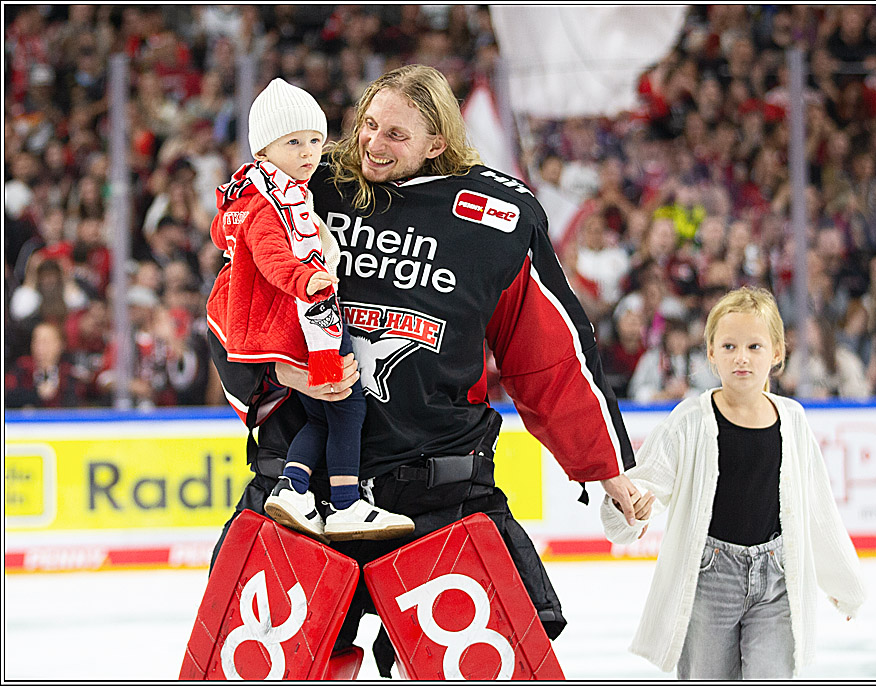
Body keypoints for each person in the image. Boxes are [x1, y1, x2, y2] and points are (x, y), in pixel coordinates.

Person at [207, 64, 641, 675]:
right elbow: (231, 311)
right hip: (301, 498)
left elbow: (551, 356)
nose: (371, 145)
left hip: (439, 497)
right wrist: (281, 376)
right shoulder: (298, 188)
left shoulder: (497, 217)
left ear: (437, 142)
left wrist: (606, 467)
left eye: (396, 136)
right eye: (368, 125)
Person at [602, 286, 865, 679]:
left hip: (777, 580)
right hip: (710, 579)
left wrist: (845, 586)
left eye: (754, 347)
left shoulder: (792, 421)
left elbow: (816, 510)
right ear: (711, 353)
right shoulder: (691, 419)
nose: (741, 357)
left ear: (777, 353)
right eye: (728, 346)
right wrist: (630, 508)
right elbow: (646, 482)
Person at [206, 78, 412, 542]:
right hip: (299, 320)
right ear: (264, 149)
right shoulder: (269, 204)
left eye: (316, 141)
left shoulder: (266, 192)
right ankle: (344, 502)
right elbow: (273, 256)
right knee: (347, 403)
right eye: (294, 142)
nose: (308, 153)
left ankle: (296, 487)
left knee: (323, 412)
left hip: (292, 321)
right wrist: (307, 279)